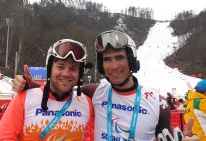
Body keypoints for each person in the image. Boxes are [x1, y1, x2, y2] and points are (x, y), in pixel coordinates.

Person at [12, 30, 199, 141]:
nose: (113, 66)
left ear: (132, 62)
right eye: (107, 60)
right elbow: (61, 89)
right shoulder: (93, 92)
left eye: (119, 58)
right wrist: (30, 86)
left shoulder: (159, 103)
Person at [0, 39, 94, 141]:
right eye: (60, 67)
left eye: (73, 68)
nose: (66, 74)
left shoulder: (86, 103)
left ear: (80, 73)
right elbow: (2, 138)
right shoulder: (24, 98)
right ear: (50, 68)